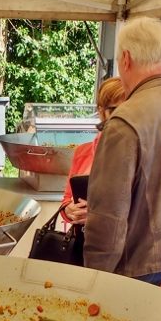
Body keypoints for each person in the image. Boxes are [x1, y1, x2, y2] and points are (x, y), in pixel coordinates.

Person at [83, 17, 161, 284]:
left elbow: (108, 216)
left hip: (139, 269)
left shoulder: (125, 121)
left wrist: (94, 279)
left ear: (126, 59)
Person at [60, 77, 126, 226]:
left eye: (129, 109)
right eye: (115, 109)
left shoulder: (139, 153)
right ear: (101, 111)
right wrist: (69, 211)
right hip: (81, 243)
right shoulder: (83, 152)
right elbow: (66, 200)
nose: (123, 116)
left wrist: (98, 217)